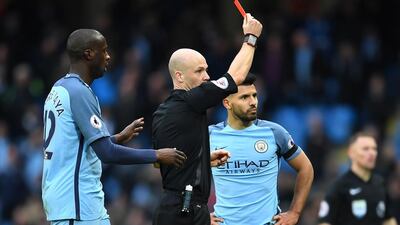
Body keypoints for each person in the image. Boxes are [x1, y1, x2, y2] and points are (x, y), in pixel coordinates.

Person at [42, 29, 187, 225]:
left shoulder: (59, 89)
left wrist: (116, 137)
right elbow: (107, 154)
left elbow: (75, 146)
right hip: (77, 206)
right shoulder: (80, 93)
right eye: (104, 50)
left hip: (71, 203)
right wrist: (158, 155)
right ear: (89, 54)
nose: (108, 56)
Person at [151, 14, 263, 225]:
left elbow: (160, 162)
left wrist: (202, 159)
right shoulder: (191, 101)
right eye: (200, 70)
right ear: (180, 76)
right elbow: (236, 77)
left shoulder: (163, 112)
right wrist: (251, 37)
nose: (206, 77)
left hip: (178, 208)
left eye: (207, 70)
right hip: (184, 210)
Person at [208, 73, 314, 225]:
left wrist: (294, 213)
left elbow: (306, 168)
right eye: (244, 97)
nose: (253, 102)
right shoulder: (210, 135)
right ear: (227, 103)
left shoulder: (274, 132)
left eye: (254, 96)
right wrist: (201, 214)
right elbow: (185, 174)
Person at [318, 132, 398, 225]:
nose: (371, 153)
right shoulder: (339, 187)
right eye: (365, 149)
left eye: (374, 149)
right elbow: (325, 222)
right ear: (351, 153)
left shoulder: (380, 183)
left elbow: (388, 219)